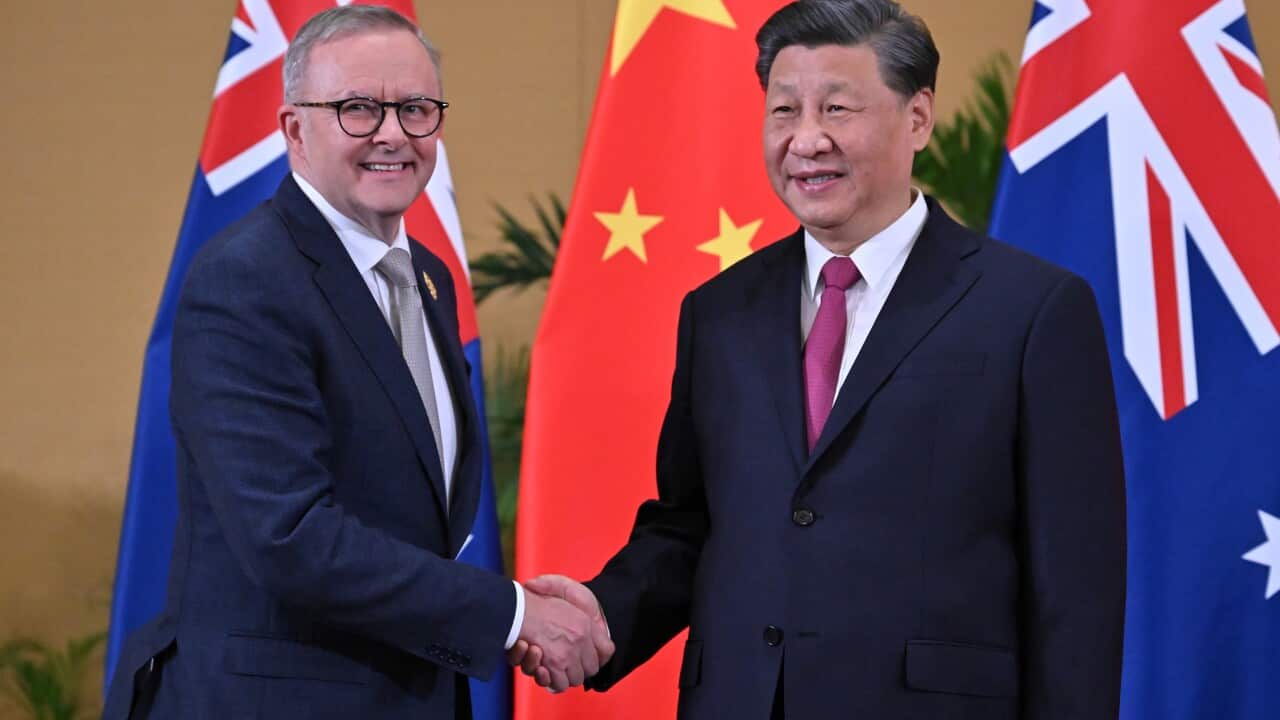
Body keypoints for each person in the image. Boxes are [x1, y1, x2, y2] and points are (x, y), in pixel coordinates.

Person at [512, 0, 1126, 717]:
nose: (806, 140)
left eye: (838, 109)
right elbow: (696, 523)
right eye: (784, 111)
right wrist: (604, 615)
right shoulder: (718, 313)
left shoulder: (1032, 309)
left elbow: (1075, 585)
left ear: (918, 117)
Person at [103, 7, 610, 719]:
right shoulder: (246, 279)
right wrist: (512, 614)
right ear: (293, 130)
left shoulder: (426, 278)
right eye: (358, 109)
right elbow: (290, 537)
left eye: (416, 108)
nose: (394, 133)